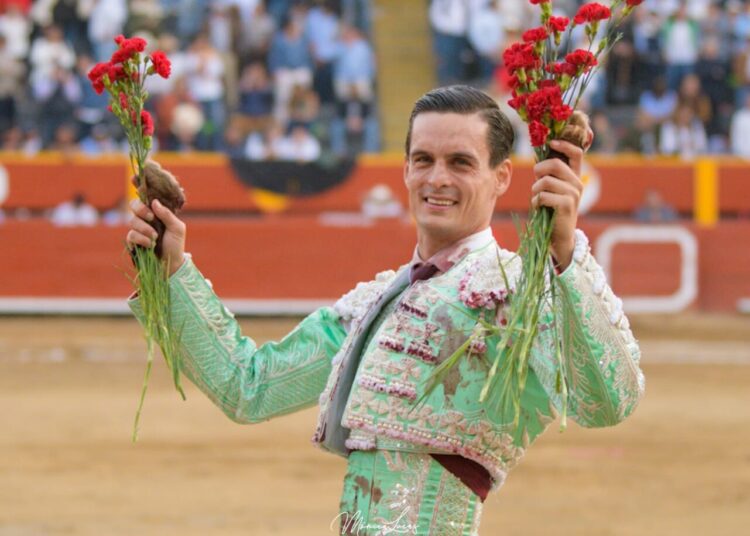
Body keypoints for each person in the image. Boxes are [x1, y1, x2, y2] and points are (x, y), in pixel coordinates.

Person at [125, 85, 644, 534]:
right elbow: (249, 387)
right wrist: (170, 272)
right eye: (424, 160)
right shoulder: (374, 306)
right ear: (405, 169)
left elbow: (605, 402)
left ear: (502, 176)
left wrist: (562, 253)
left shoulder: (516, 290)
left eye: (461, 162)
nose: (437, 178)